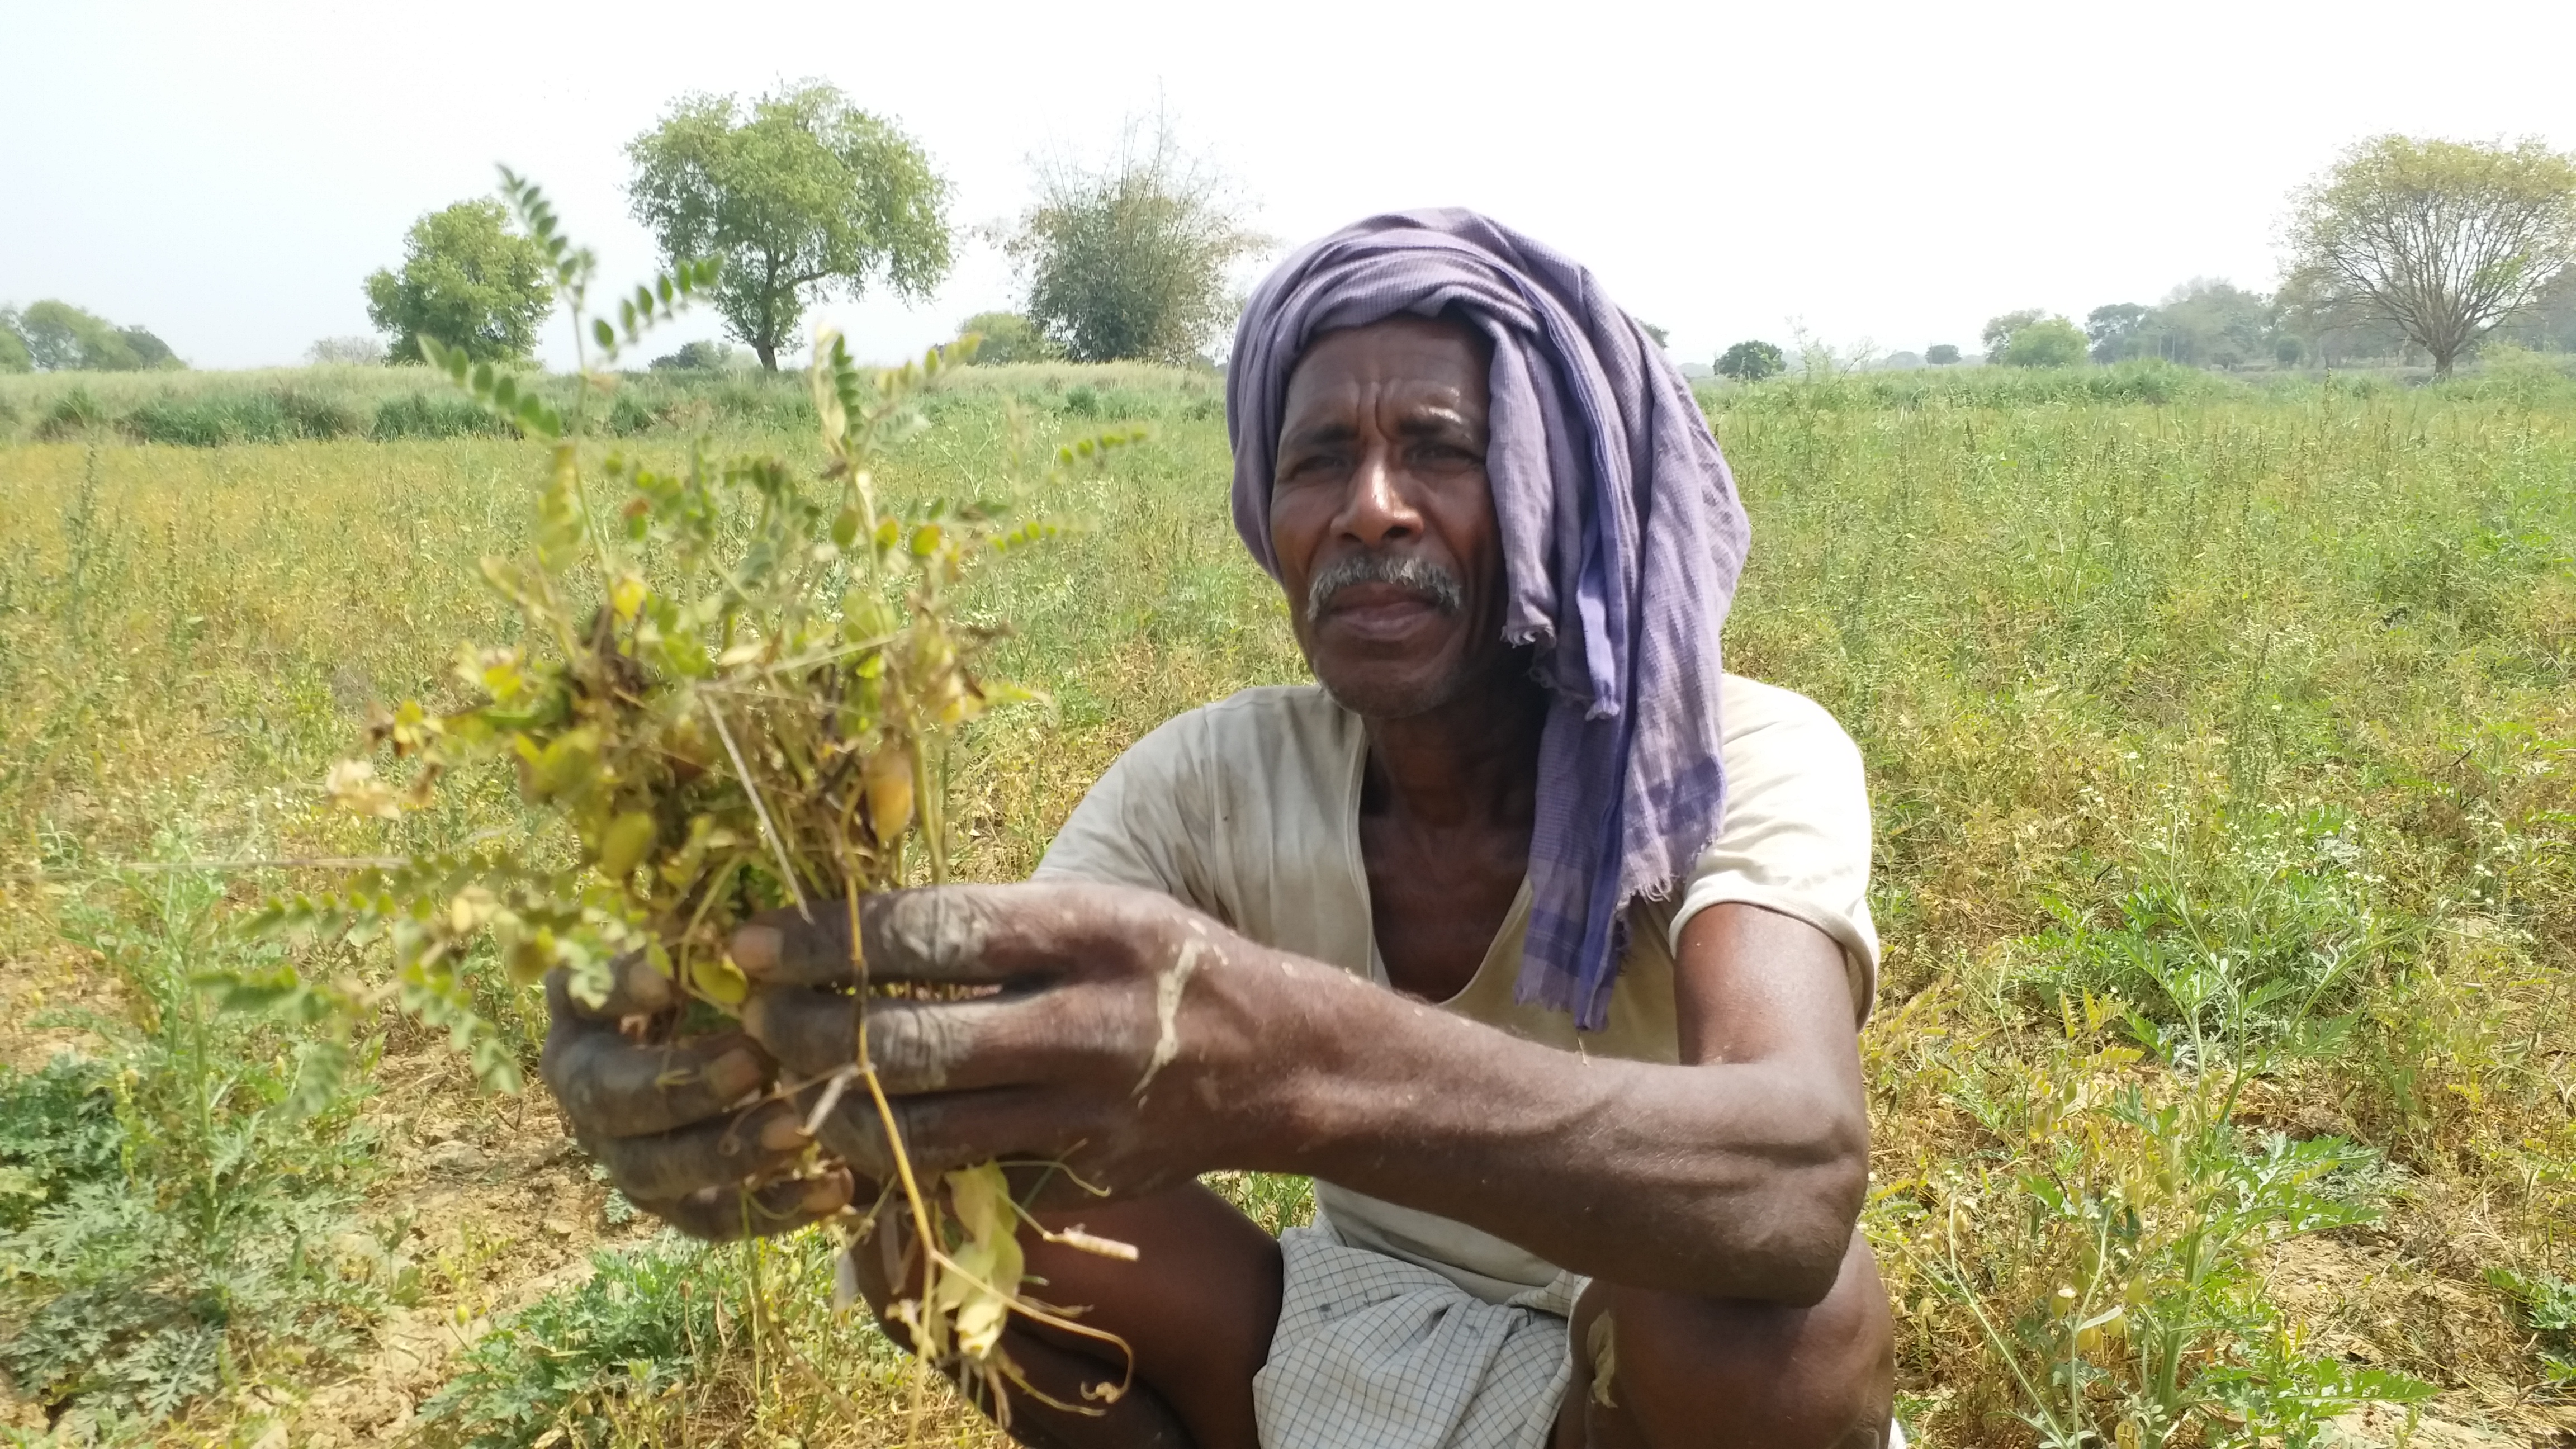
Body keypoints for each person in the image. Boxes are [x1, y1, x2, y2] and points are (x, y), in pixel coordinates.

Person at [542, 210, 1898, 1448]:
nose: (1371, 504)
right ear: (1271, 518)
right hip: (1357, 1324)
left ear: (1564, 499)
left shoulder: (1736, 756)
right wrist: (746, 1069)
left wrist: (1287, 1062)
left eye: (1443, 448)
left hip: (1638, 1367)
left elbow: (1792, 1174)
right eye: (1321, 461)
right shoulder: (1214, 779)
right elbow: (983, 1065)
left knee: (1773, 1314)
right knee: (934, 1226)